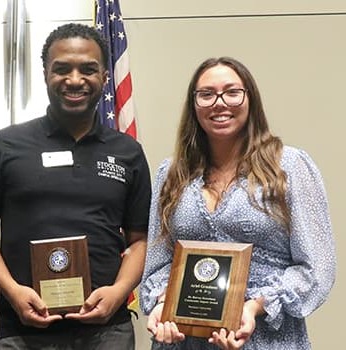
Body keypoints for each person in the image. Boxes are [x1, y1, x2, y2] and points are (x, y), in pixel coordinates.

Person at [0, 23, 152, 349]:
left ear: (105, 78)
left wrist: (119, 292)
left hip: (108, 331)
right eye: (62, 69)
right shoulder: (5, 145)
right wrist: (12, 290)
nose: (75, 80)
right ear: (45, 74)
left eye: (88, 69)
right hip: (24, 331)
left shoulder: (128, 152)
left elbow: (140, 240)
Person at [140, 56, 336, 350]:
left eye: (232, 92)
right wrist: (162, 303)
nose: (219, 102)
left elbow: (317, 268)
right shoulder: (171, 173)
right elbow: (157, 263)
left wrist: (255, 306)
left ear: (250, 99)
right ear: (194, 105)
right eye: (206, 94)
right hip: (183, 339)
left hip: (265, 337)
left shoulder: (289, 167)